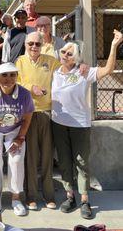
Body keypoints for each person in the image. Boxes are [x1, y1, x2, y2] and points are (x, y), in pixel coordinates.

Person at [51, 30, 123, 219]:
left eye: (70, 54)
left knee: (81, 162)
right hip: (58, 123)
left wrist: (114, 45)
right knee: (65, 162)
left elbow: (108, 69)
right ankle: (69, 196)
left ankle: (84, 199)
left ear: (76, 58)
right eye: (63, 52)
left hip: (80, 125)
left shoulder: (84, 71)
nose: (65, 55)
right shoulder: (54, 72)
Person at [0, 63, 34, 216]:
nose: (8, 79)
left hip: (15, 130)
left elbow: (27, 119)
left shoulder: (24, 94)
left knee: (16, 160)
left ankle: (16, 198)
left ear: (17, 76)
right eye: (4, 75)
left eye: (12, 75)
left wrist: (20, 138)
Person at [15, 32, 60, 210]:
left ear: (43, 45)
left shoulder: (51, 61)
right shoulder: (19, 62)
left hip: (48, 113)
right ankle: (31, 196)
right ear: (25, 44)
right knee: (31, 157)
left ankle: (49, 196)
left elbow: (65, 72)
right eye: (30, 43)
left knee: (48, 156)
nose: (34, 47)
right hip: (28, 114)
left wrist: (81, 67)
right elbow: (14, 84)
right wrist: (30, 88)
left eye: (37, 44)